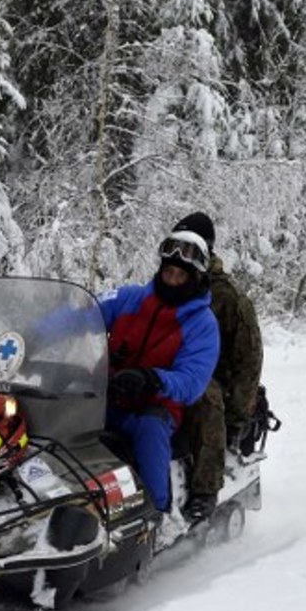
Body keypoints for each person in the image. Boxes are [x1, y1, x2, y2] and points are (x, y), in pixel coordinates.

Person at [98, 218, 220, 513]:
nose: (172, 279)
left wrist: (152, 378)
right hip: (106, 395)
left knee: (151, 427)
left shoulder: (202, 324)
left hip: (156, 406)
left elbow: (192, 382)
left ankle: (156, 514)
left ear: (195, 277)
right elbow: (83, 313)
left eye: (180, 274)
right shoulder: (130, 297)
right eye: (168, 271)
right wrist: (41, 329)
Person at [174, 213, 264, 522]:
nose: (180, 256)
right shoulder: (170, 280)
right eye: (176, 246)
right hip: (170, 369)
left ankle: (205, 488)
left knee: (205, 396)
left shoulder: (228, 298)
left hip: (215, 381)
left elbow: (248, 360)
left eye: (188, 248)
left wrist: (237, 420)